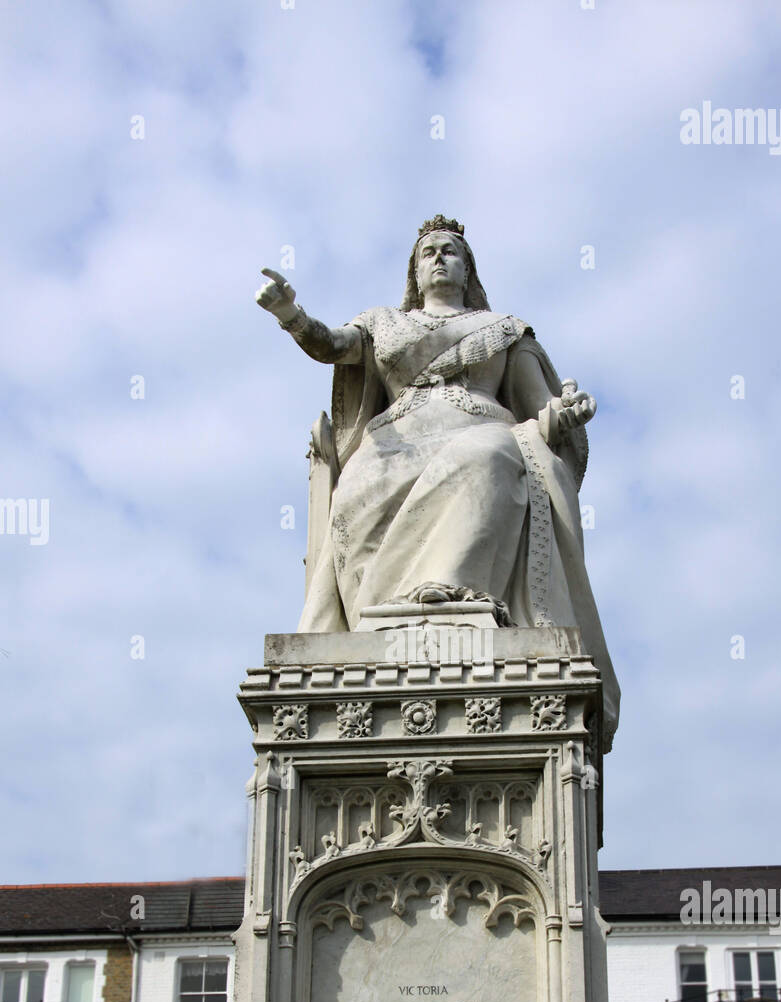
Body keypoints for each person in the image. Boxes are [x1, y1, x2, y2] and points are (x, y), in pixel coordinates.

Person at [256, 215, 619, 746]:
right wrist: (292, 315)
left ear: (468, 268)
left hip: (482, 433)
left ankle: (455, 598)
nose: (439, 258)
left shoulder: (503, 330)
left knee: (493, 455)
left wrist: (563, 415)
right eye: (428, 252)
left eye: (451, 251)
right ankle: (382, 614)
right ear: (415, 271)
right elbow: (331, 345)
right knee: (359, 480)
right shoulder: (384, 323)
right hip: (392, 445)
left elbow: (539, 410)